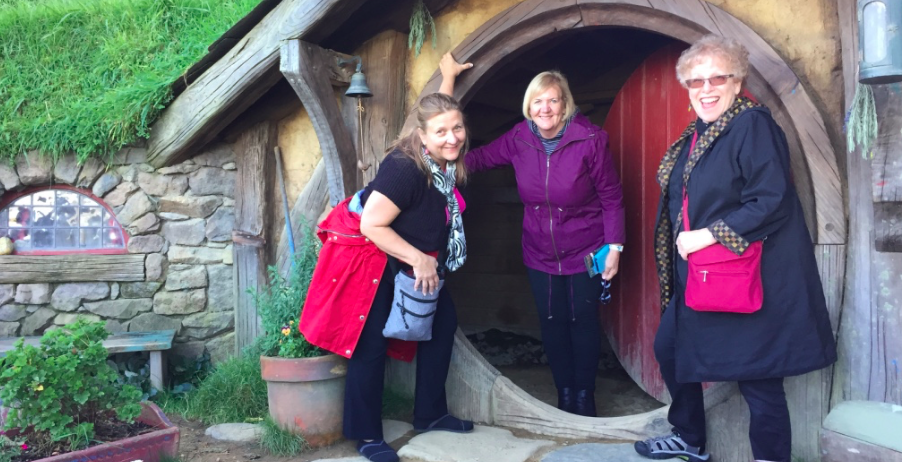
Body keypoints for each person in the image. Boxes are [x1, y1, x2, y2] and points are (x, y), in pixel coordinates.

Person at [633, 35, 836, 462]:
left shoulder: (751, 124)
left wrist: (706, 235)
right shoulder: (700, 133)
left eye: (716, 79)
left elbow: (771, 199)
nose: (706, 89)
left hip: (748, 277)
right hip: (706, 275)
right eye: (695, 82)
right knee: (670, 346)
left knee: (759, 379)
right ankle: (689, 438)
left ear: (737, 80)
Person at [300, 54, 475, 462]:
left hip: (407, 252)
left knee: (442, 323)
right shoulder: (406, 169)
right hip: (373, 255)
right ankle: (366, 435)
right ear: (422, 135)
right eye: (442, 132)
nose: (452, 138)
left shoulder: (442, 152)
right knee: (371, 341)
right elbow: (372, 226)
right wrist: (421, 260)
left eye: (458, 128)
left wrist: (447, 79)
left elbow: (440, 112)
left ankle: (430, 414)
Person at [445, 64, 625, 417]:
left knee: (583, 322)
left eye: (553, 101)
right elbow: (478, 159)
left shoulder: (590, 141)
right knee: (553, 322)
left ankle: (584, 397)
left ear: (565, 105)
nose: (545, 108)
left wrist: (615, 248)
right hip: (539, 251)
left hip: (586, 250)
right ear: (529, 106)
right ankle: (564, 396)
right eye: (538, 101)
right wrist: (442, 156)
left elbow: (612, 197)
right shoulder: (519, 138)